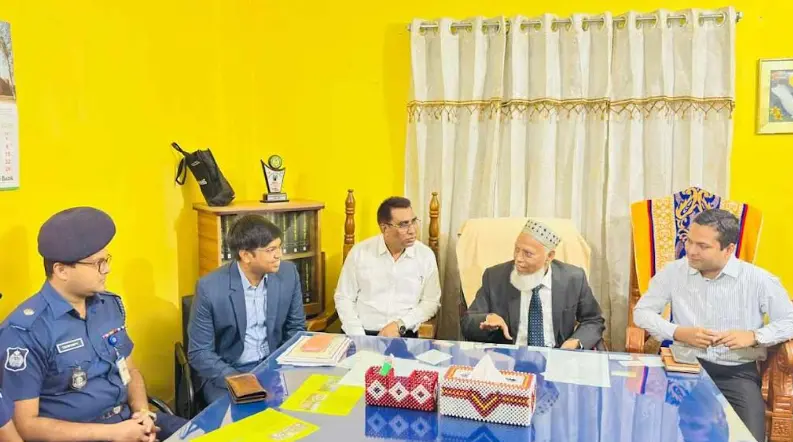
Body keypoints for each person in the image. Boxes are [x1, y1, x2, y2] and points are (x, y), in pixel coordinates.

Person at [0, 207, 187, 442]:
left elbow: (130, 371)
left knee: (212, 433)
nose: (107, 269)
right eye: (97, 263)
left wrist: (142, 412)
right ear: (61, 270)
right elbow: (26, 425)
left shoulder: (109, 305)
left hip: (128, 420)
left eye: (106, 260)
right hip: (84, 435)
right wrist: (114, 434)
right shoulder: (25, 332)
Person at [633, 208, 793, 442]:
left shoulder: (758, 280)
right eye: (689, 241)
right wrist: (677, 332)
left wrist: (754, 336)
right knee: (651, 431)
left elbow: (789, 320)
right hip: (684, 369)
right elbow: (642, 312)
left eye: (702, 246)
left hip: (736, 374)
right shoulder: (674, 272)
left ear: (728, 249)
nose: (691, 251)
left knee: (749, 437)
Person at [188, 214, 306, 404]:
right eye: (271, 250)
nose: (279, 255)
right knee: (246, 418)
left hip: (274, 366)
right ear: (246, 255)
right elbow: (200, 352)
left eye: (279, 247)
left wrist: (282, 367)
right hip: (228, 372)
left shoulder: (288, 274)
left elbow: (296, 329)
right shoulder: (209, 288)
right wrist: (241, 380)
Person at [461, 219, 605, 349]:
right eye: (516, 250)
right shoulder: (495, 277)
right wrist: (487, 319)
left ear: (549, 256)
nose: (518, 259)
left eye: (527, 254)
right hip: (509, 358)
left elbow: (593, 320)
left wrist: (575, 341)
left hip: (557, 356)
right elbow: (468, 321)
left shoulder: (573, 279)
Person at [334, 197, 441, 338]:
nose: (412, 230)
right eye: (403, 224)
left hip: (404, 333)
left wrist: (400, 324)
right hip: (361, 332)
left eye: (414, 221)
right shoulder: (360, 253)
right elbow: (344, 298)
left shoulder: (425, 255)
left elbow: (431, 302)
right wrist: (359, 337)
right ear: (384, 228)